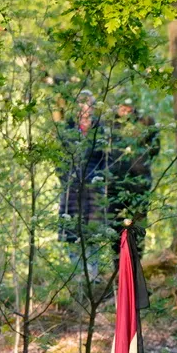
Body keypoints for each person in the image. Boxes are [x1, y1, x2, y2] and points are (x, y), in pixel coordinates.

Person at [58, 89, 110, 272]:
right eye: (80, 103)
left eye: (87, 103)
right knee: (71, 231)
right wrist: (67, 178)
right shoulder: (67, 130)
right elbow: (59, 159)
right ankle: (77, 273)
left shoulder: (101, 131)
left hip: (94, 190)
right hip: (71, 190)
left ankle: (93, 273)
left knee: (93, 232)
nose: (84, 108)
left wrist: (100, 179)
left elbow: (107, 159)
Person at [107, 98, 160, 257]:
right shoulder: (109, 126)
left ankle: (136, 261)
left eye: (128, 106)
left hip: (139, 183)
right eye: (121, 106)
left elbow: (155, 147)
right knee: (115, 223)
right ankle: (118, 265)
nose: (125, 109)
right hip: (114, 184)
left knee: (137, 223)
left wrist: (141, 160)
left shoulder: (145, 122)